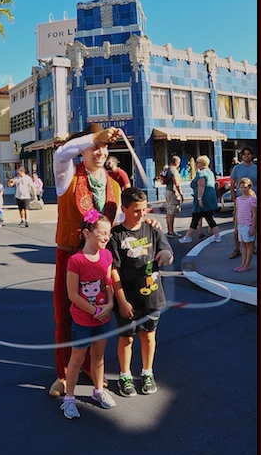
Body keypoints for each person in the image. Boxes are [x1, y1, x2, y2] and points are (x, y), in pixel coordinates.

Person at [49, 122, 162, 398]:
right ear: (83, 149)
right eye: (93, 146)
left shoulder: (113, 185)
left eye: (103, 146)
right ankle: (63, 374)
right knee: (65, 315)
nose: (99, 151)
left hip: (101, 261)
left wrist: (141, 218)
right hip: (71, 256)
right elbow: (60, 153)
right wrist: (93, 136)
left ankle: (89, 366)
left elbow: (120, 220)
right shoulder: (67, 174)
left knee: (96, 315)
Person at [108, 187, 174, 397]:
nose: (141, 214)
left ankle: (147, 372)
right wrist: (122, 301)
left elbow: (167, 252)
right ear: (124, 208)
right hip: (127, 300)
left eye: (144, 209)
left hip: (152, 296)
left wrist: (165, 254)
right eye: (136, 210)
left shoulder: (153, 229)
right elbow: (113, 271)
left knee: (148, 336)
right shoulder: (116, 236)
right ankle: (125, 375)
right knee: (126, 339)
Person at [60, 211, 117, 419]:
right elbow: (73, 295)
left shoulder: (107, 255)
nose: (106, 237)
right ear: (87, 233)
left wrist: (110, 304)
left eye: (108, 233)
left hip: (103, 317)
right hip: (84, 319)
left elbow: (108, 282)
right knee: (77, 359)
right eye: (101, 233)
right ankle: (69, 398)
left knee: (99, 356)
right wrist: (95, 311)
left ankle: (98, 391)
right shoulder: (76, 261)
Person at [179, 155, 222, 244]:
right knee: (209, 218)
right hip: (210, 198)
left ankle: (187, 237)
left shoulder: (201, 174)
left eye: (198, 162)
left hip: (203, 199)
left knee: (196, 218)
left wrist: (199, 199)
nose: (196, 164)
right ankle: (217, 236)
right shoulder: (210, 172)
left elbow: (201, 186)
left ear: (202, 163)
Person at [229, 146, 257, 259]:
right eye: (244, 154)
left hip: (253, 201)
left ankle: (253, 246)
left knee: (254, 226)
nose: (246, 156)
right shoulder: (237, 168)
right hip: (240, 202)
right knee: (237, 227)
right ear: (242, 156)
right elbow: (232, 184)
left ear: (252, 155)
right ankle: (237, 249)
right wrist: (233, 197)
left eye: (248, 154)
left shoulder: (256, 168)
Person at [233, 177, 257, 273]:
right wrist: (236, 226)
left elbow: (255, 214)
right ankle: (243, 264)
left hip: (248, 225)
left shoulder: (252, 199)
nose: (243, 189)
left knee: (249, 245)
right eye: (241, 187)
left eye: (245, 187)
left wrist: (252, 227)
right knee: (243, 245)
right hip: (240, 225)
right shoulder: (238, 199)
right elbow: (237, 213)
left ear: (250, 187)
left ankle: (247, 264)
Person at [164, 155, 184, 238]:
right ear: (176, 163)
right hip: (172, 192)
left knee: (169, 211)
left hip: (167, 191)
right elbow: (177, 183)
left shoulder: (168, 169)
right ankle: (171, 231)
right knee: (172, 212)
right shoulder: (173, 170)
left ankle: (170, 230)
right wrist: (181, 194)